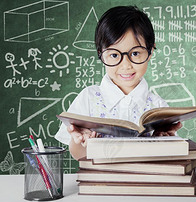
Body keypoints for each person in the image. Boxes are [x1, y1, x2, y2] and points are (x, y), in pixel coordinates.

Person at [55, 6, 182, 160]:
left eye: (135, 53)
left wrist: (164, 140)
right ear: (101, 54)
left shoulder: (158, 107)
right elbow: (78, 155)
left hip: (144, 182)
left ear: (150, 52)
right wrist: (80, 141)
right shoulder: (88, 98)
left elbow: (169, 157)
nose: (126, 65)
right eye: (114, 55)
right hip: (101, 182)